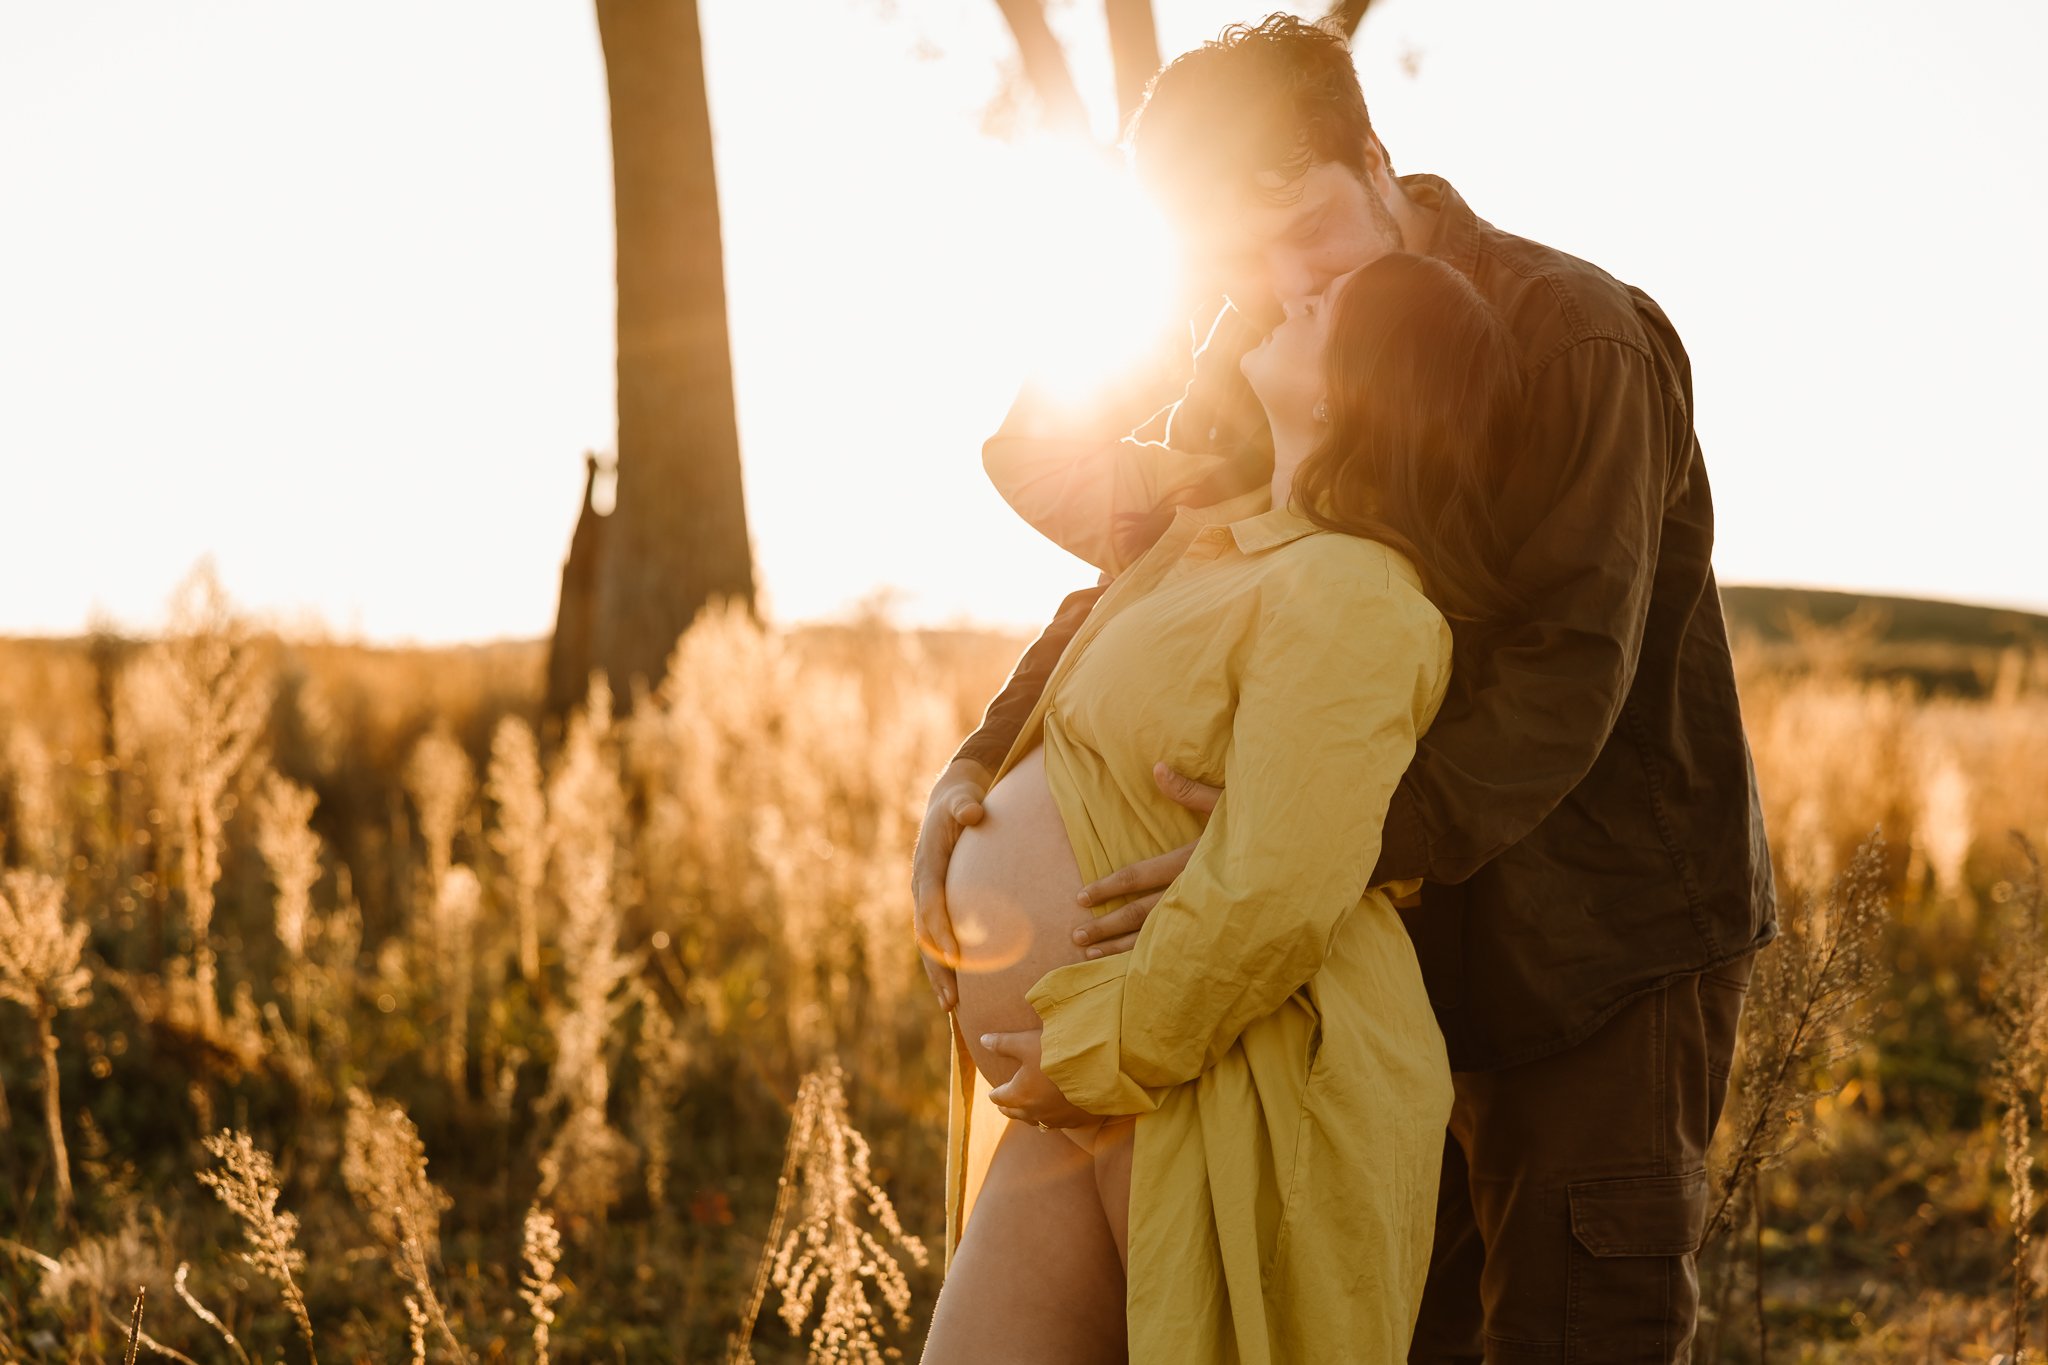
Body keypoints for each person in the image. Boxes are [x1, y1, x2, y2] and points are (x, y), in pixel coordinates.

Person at [911, 15, 1778, 1363]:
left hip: (1593, 940)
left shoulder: (1575, 336)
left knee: (1572, 1323)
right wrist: (985, 758)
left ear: (1376, 156)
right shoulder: (1267, 339)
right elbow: (1155, 568)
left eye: (1302, 230)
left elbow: (1567, 668)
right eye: (1235, 256)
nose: (1279, 277)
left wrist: (1294, 853)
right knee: (1392, 1322)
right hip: (1373, 961)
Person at [922, 250, 1522, 1363]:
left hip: (1223, 1080)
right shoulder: (1199, 540)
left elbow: (1278, 887)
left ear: (1352, 392)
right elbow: (1034, 451)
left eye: (1318, 305)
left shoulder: (1356, 591)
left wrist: (1094, 1046)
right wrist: (965, 791)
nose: (1287, 293)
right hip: (1105, 1080)